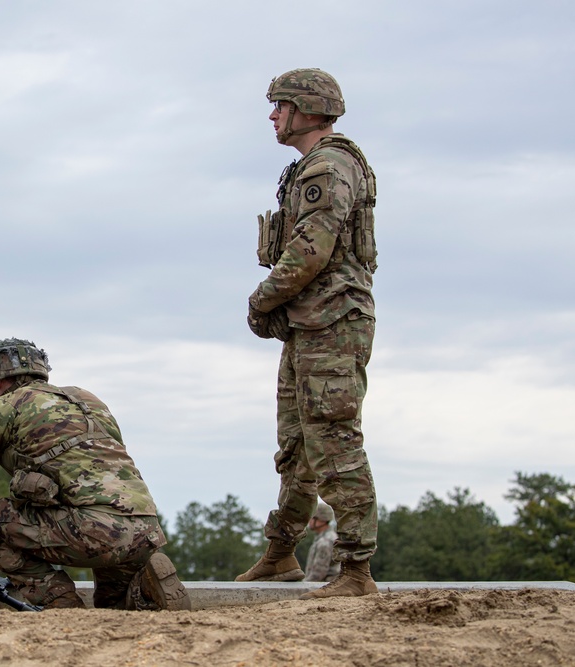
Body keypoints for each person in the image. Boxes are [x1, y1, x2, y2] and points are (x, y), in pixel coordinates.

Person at [0, 338, 191, 611]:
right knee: (112, 607)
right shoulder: (86, 400)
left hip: (94, 531)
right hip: (145, 530)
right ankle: (147, 587)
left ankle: (59, 602)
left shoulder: (8, 406)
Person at [235, 68, 379, 599]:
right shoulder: (311, 169)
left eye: (279, 105)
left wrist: (261, 299)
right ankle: (279, 554)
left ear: (307, 110)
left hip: (331, 323)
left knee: (334, 442)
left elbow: (310, 251)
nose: (272, 115)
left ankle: (356, 570)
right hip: (311, 323)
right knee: (297, 449)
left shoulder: (330, 166)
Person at [303, 503, 341, 583]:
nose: (309, 521)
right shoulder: (328, 538)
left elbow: (318, 574)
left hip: (324, 587)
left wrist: (303, 586)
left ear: (322, 520)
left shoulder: (325, 542)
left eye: (312, 517)